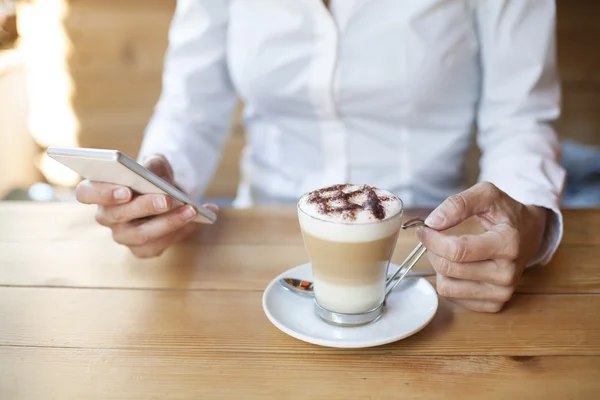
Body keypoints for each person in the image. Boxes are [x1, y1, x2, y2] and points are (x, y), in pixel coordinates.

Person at [75, 0, 565, 313]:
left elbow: (520, 117)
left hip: (436, 259)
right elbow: (190, 109)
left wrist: (528, 222)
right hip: (252, 250)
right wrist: (159, 184)